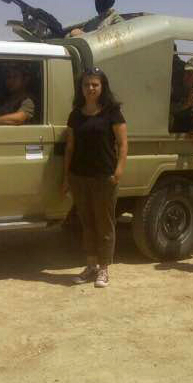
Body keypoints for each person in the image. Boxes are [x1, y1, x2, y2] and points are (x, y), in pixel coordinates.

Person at [62, 67, 127, 288]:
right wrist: (66, 177)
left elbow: (123, 144)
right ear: (81, 88)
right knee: (87, 223)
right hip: (80, 177)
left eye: (95, 84)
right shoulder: (75, 115)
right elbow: (70, 148)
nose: (90, 88)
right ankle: (91, 266)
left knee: (104, 224)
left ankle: (104, 269)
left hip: (104, 177)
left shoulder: (112, 112)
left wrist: (118, 171)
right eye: (86, 84)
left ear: (102, 87)